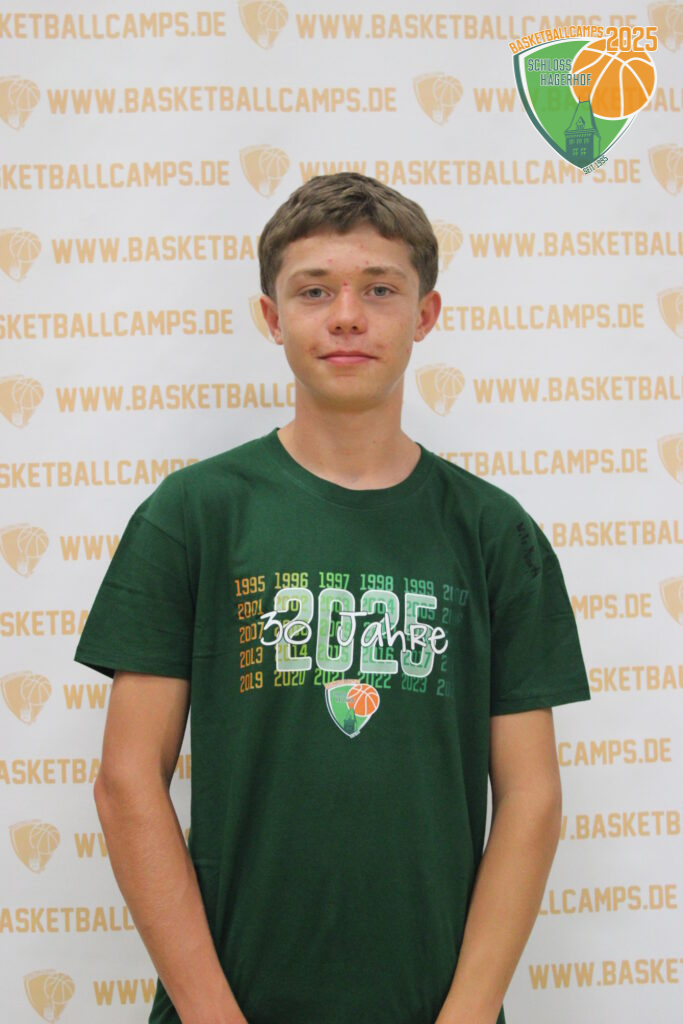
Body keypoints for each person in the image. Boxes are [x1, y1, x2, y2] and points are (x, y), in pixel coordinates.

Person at [74, 172, 591, 1024]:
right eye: (314, 291)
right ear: (271, 316)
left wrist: (467, 1013)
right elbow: (127, 782)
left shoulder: (494, 532)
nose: (346, 315)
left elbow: (531, 798)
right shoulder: (195, 515)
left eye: (378, 289)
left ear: (424, 314)